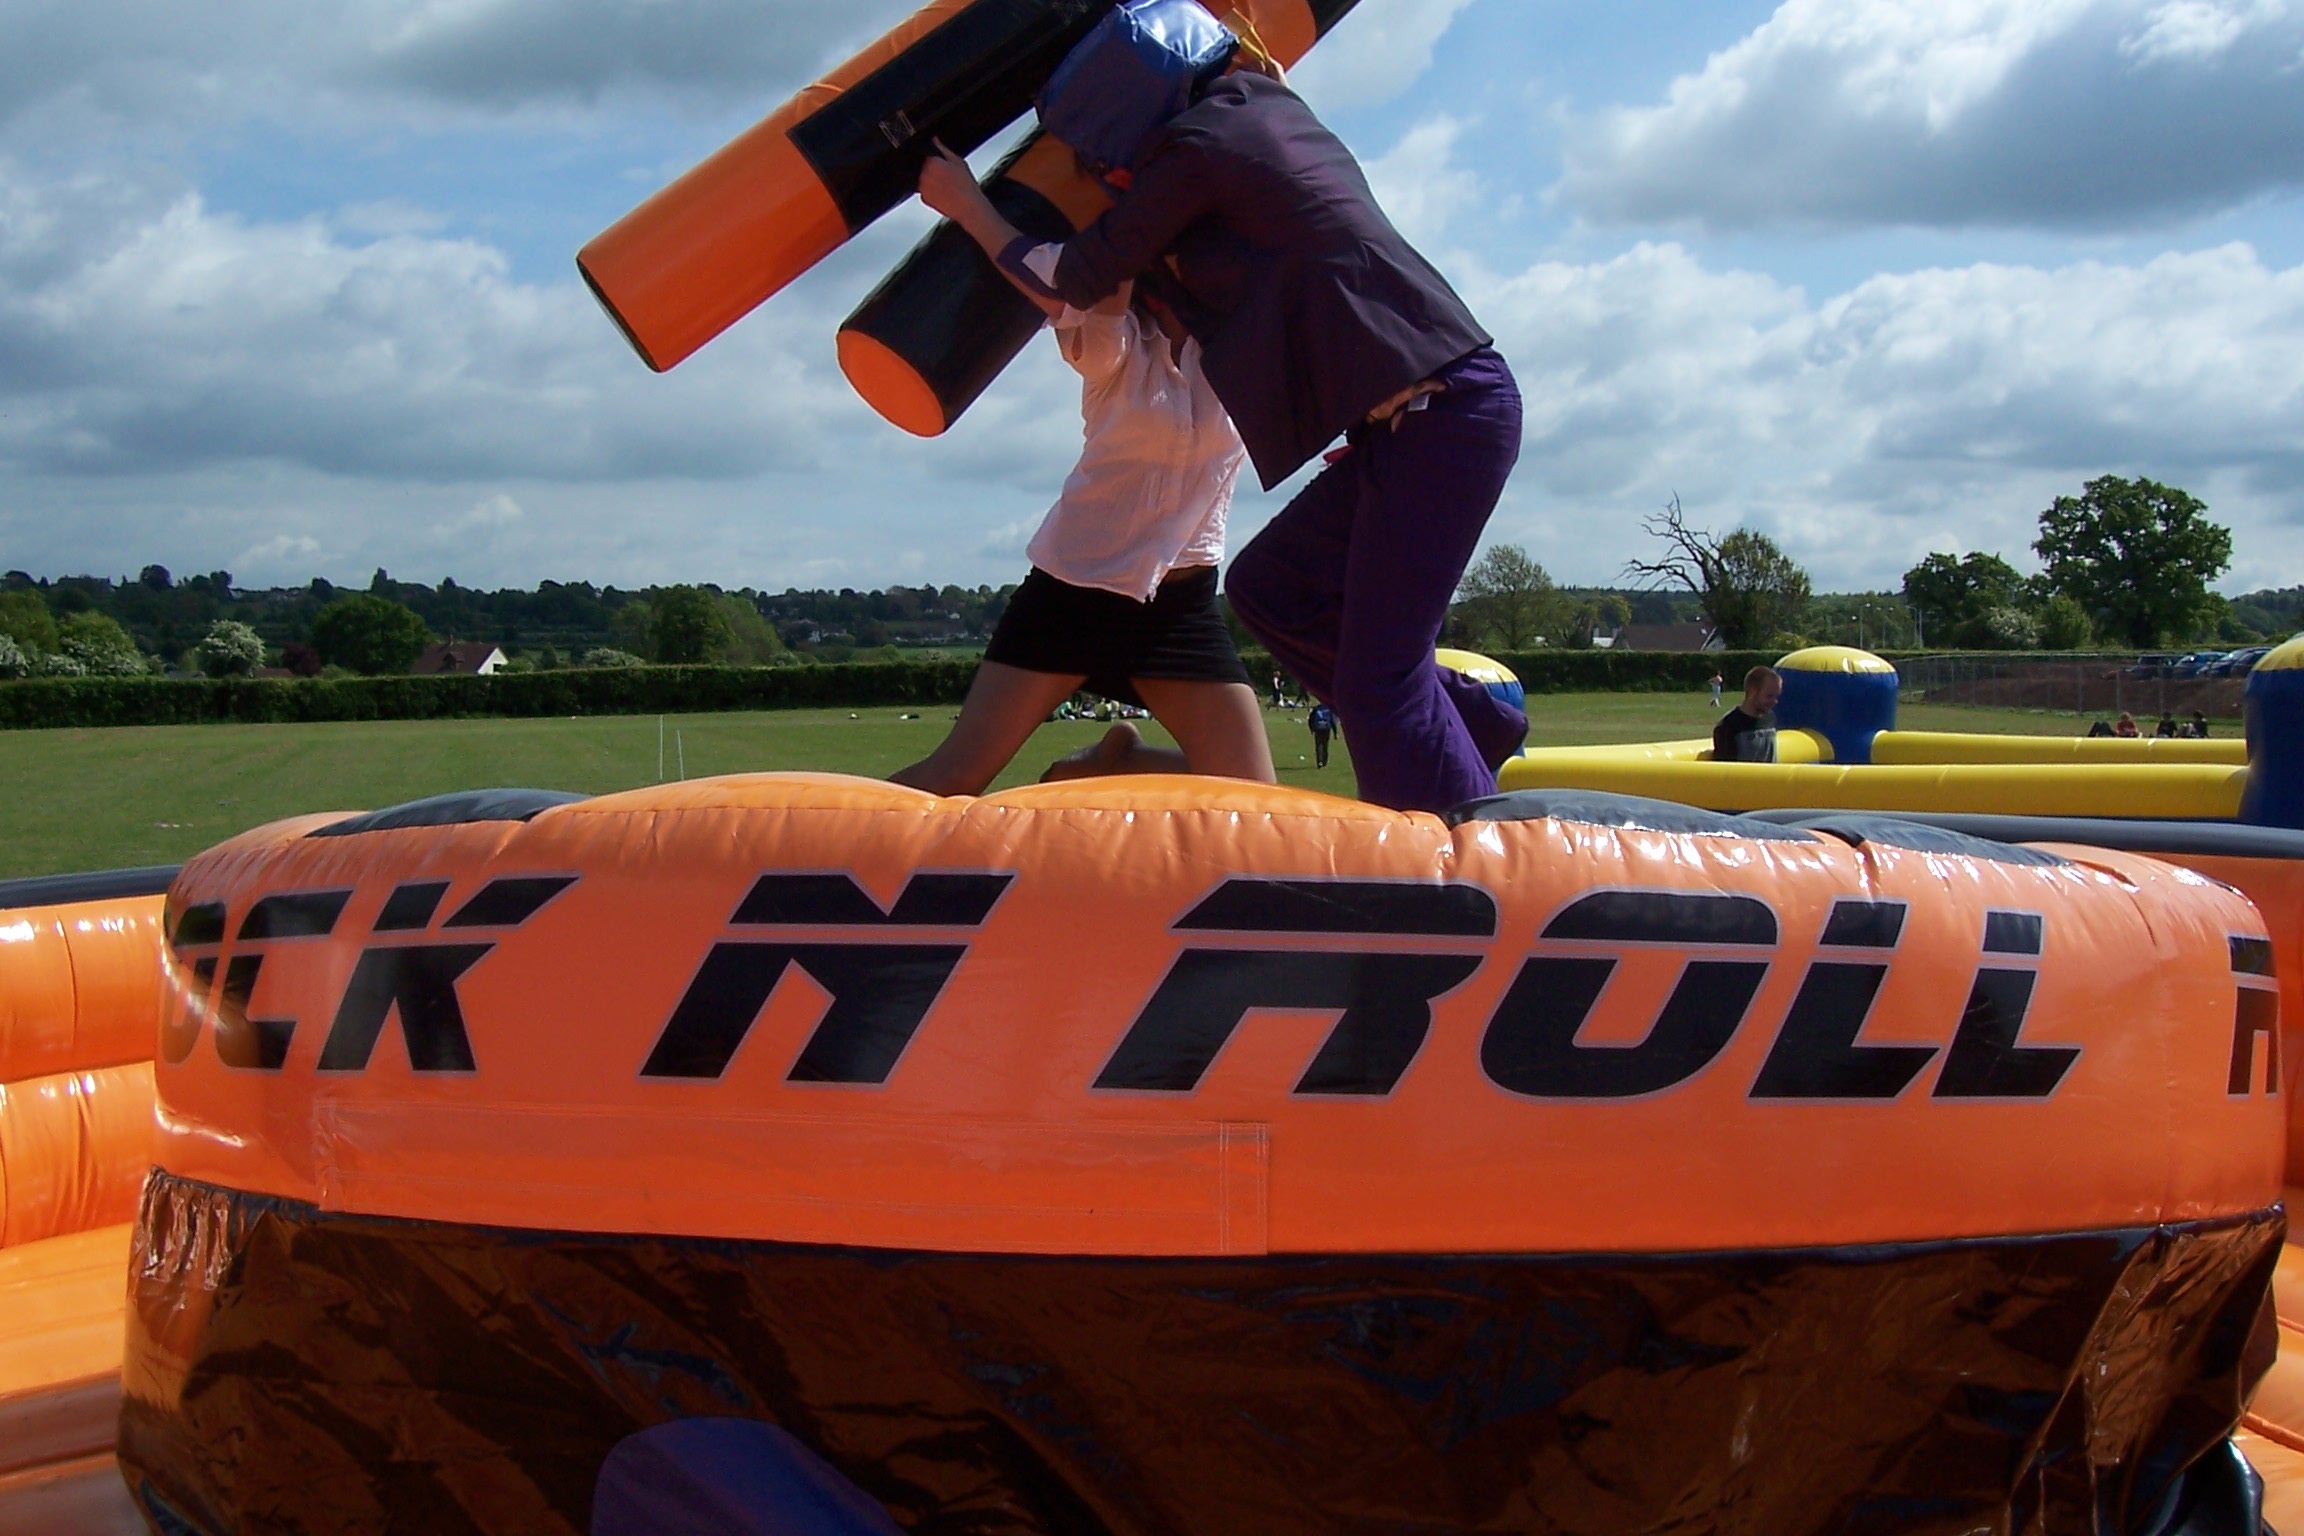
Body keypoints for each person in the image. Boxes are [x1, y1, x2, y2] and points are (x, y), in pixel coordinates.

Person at [918, 0, 1526, 815]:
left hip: (1435, 418)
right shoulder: (1264, 117)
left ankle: (1469, 866)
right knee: (1273, 586)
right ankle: (1469, 717)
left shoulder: (1197, 151)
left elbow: (1073, 273)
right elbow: (1110, 299)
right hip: (1102, 574)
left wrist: (969, 207)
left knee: (1376, 686)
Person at [889, 276, 1275, 796]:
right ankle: (808, 852)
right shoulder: (1112, 335)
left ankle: (1121, 762)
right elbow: (1090, 258)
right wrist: (961, 200)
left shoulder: (1246, 345)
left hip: (1177, 607)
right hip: (1073, 593)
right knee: (954, 778)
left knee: (1253, 794)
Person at [1712, 666, 1781, 763]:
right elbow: (1726, 772)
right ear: (1752, 692)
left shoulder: (1770, 718)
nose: (1774, 701)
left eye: (1776, 696)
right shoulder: (1728, 726)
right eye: (1769, 696)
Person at [1308, 701, 1336, 768]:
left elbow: (1310, 719)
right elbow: (1332, 721)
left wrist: (1312, 729)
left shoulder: (1316, 708)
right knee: (1325, 745)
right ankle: (1324, 761)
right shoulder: (1329, 709)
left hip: (1318, 729)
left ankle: (1319, 761)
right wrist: (1335, 733)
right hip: (1326, 729)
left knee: (1318, 745)